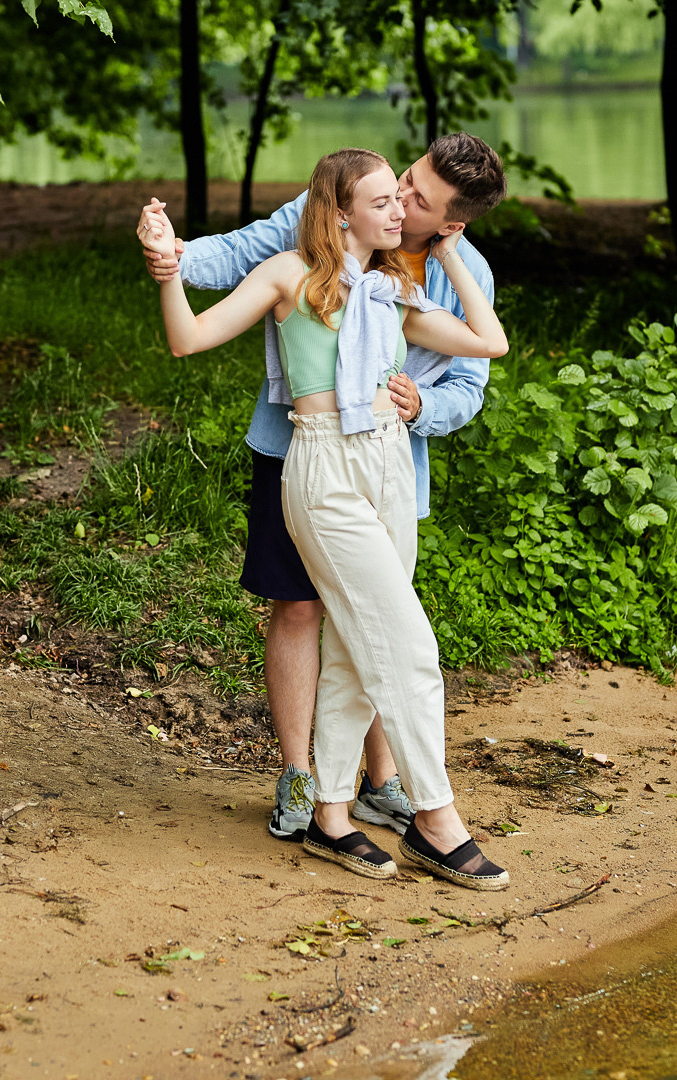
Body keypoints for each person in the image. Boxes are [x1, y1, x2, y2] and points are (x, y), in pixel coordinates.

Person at [139, 147, 511, 890]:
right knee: (404, 646)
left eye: (415, 202)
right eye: (392, 195)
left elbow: (489, 344)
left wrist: (455, 258)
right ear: (345, 211)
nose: (402, 206)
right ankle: (436, 820)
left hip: (390, 468)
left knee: (358, 647)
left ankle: (334, 811)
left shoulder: (387, 290)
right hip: (319, 465)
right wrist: (170, 264)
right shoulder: (293, 269)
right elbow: (192, 329)